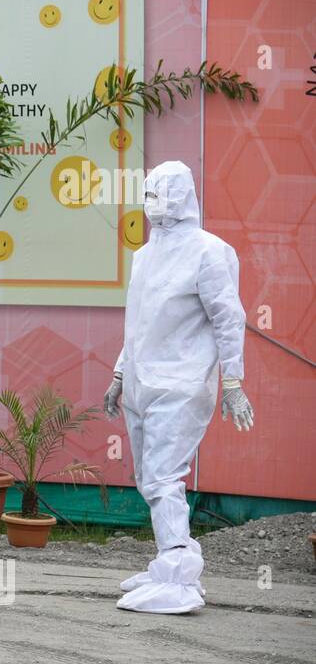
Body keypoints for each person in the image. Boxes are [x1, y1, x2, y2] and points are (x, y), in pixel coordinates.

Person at [103, 161, 253, 614]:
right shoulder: (144, 256)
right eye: (149, 192)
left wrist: (233, 381)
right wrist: (119, 374)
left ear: (184, 193)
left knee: (165, 475)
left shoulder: (209, 252)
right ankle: (172, 561)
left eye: (162, 192)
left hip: (184, 383)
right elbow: (139, 324)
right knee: (149, 477)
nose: (154, 201)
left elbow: (229, 318)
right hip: (143, 383)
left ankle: (180, 578)